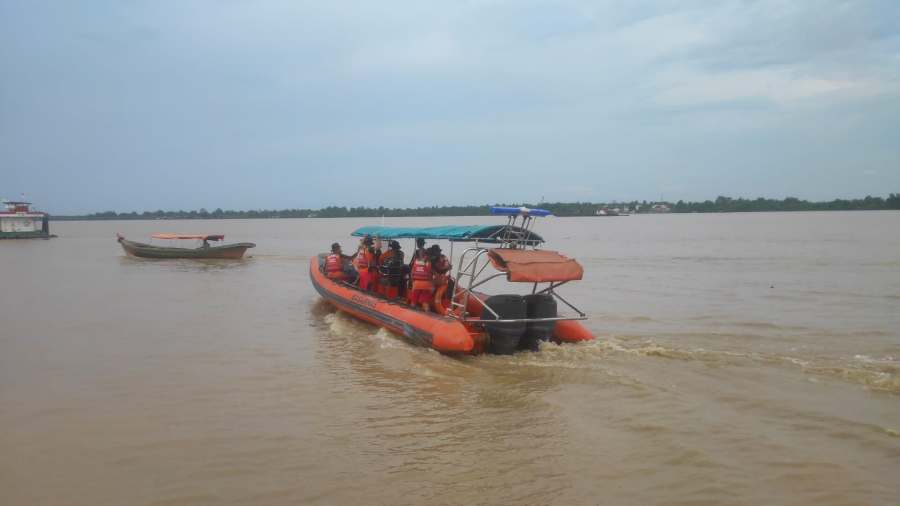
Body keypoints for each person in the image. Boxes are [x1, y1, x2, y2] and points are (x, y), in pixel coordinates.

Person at [429, 244, 452, 315]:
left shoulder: (443, 257)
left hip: (441, 277)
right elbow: (430, 268)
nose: (436, 253)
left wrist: (439, 272)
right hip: (436, 277)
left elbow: (448, 266)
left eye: (437, 252)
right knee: (431, 288)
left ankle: (430, 302)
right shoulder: (431, 258)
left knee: (431, 288)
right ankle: (429, 302)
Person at [409, 247, 434, 311]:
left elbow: (412, 274)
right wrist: (432, 284)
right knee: (425, 301)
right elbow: (429, 275)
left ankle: (411, 313)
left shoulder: (416, 262)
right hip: (426, 285)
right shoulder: (428, 262)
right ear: (426, 255)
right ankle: (427, 313)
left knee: (413, 301)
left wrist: (412, 283)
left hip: (416, 284)